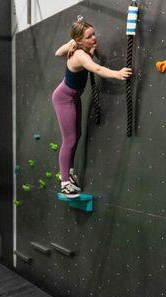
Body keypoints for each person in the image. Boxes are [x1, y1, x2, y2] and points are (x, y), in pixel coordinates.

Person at [53, 15, 132, 198]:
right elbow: (96, 69)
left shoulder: (80, 47)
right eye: (89, 37)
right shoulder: (79, 54)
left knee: (77, 136)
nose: (94, 38)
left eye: (93, 34)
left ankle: (69, 172)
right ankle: (65, 182)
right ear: (79, 39)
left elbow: (59, 53)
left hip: (74, 97)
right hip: (64, 98)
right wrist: (117, 73)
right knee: (70, 140)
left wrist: (81, 44)